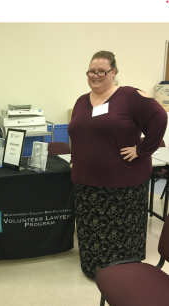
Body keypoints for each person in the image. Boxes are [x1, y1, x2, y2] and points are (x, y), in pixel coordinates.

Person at [68, 50, 168, 279]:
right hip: (86, 182)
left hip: (123, 183)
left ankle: (123, 274)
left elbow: (160, 118)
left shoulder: (128, 96)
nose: (96, 75)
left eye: (101, 71)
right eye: (91, 71)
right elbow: (78, 133)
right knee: (92, 230)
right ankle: (94, 268)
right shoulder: (81, 101)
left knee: (120, 231)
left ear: (113, 72)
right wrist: (75, 158)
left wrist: (142, 150)